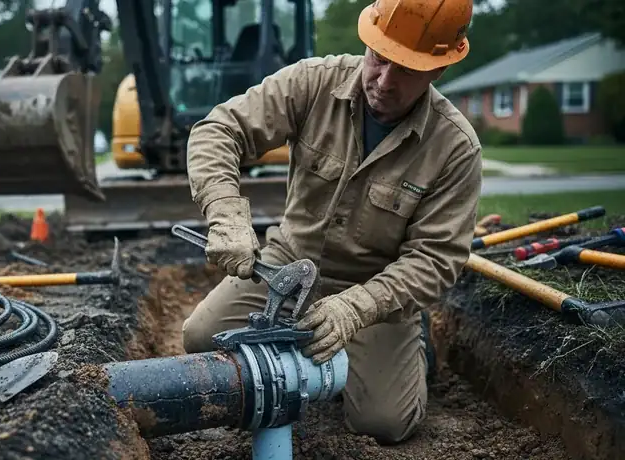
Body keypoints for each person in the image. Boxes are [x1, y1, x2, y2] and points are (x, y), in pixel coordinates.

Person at [181, 0, 481, 445]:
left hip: (377, 291)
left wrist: (355, 308)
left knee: (383, 423)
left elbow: (437, 259)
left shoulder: (455, 148)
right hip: (289, 266)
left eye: (406, 70)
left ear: (437, 71)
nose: (384, 81)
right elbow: (219, 129)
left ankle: (411, 342)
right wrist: (225, 211)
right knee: (202, 337)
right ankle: (307, 352)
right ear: (368, 42)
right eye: (379, 59)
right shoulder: (314, 82)